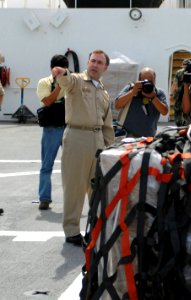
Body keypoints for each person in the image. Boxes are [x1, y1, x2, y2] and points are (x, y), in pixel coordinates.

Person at [53, 49, 114, 247]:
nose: (95, 65)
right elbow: (67, 81)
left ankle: (95, 227)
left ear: (106, 67)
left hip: (97, 139)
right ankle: (71, 230)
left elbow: (107, 124)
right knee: (74, 186)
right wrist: (62, 73)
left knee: (97, 187)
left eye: (99, 62)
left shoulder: (103, 90)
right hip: (77, 136)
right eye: (92, 61)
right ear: (88, 62)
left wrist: (110, 148)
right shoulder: (78, 81)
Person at [36, 54, 69, 210]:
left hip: (70, 127)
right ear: (51, 69)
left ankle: (72, 198)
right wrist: (59, 86)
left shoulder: (72, 81)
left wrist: (65, 79)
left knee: (72, 165)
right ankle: (44, 198)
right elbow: (47, 102)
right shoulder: (44, 82)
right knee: (47, 164)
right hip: (51, 129)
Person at [114, 67, 168, 137]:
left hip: (148, 137)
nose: (147, 84)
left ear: (155, 80)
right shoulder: (130, 88)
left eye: (150, 81)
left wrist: (153, 97)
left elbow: (164, 112)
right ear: (139, 80)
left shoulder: (159, 93)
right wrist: (133, 92)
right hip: (128, 136)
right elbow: (117, 105)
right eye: (145, 81)